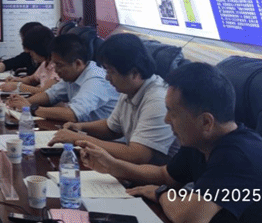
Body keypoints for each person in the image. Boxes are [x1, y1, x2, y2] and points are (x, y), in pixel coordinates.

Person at [79, 62, 262, 223]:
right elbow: (164, 175)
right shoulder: (200, 142)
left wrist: (160, 194)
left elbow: (190, 218)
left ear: (206, 122)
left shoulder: (239, 154)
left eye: (172, 112)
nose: (166, 119)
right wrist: (113, 165)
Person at [48, 33, 176, 164]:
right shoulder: (129, 90)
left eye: (111, 72)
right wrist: (80, 127)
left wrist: (79, 139)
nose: (107, 77)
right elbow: (111, 128)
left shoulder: (157, 100)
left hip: (156, 173)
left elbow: (138, 154)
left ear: (134, 73)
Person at [9, 34, 118, 122]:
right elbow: (50, 95)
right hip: (82, 132)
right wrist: (22, 102)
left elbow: (72, 114)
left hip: (102, 140)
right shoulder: (72, 76)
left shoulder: (96, 80)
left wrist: (31, 108)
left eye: (59, 65)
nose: (56, 70)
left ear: (78, 63)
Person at [0, 26, 59, 96]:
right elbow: (32, 79)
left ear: (40, 49)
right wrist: (17, 80)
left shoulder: (57, 66)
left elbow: (44, 92)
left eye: (31, 52)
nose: (31, 55)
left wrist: (18, 86)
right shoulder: (45, 63)